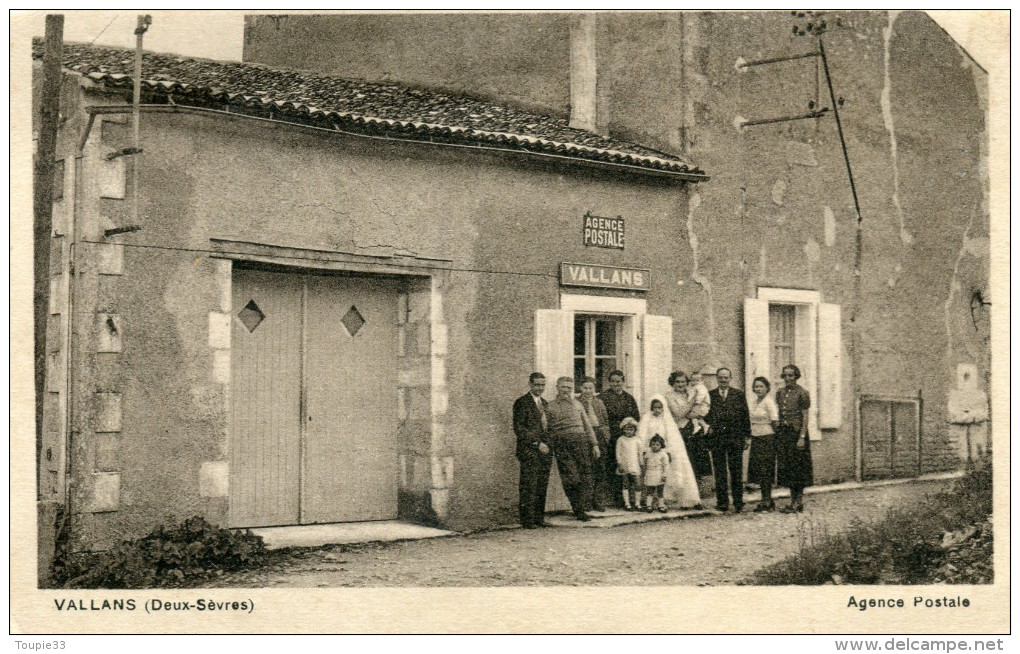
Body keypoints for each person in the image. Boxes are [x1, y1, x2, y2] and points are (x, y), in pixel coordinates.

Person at [546, 376, 600, 522]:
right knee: (571, 478)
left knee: (585, 475)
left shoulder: (578, 405)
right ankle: (578, 509)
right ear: (557, 387)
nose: (566, 390)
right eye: (563, 387)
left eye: (569, 388)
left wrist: (594, 444)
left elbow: (588, 426)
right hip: (562, 443)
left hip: (581, 441)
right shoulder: (550, 406)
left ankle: (582, 508)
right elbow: (547, 429)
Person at [636, 395, 701, 509]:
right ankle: (650, 501)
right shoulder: (647, 418)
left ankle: (665, 499)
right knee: (650, 475)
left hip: (662, 450)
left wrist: (668, 450)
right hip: (650, 450)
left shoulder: (666, 419)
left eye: (660, 407)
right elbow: (642, 434)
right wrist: (644, 449)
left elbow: (670, 436)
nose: (657, 410)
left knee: (664, 474)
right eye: (655, 407)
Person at [705, 367, 752, 512]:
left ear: (730, 379)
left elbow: (745, 416)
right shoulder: (710, 395)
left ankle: (738, 501)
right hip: (717, 439)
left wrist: (747, 437)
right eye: (720, 377)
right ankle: (722, 502)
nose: (723, 380)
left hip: (735, 438)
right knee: (720, 472)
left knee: (736, 471)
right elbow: (705, 416)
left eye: (726, 377)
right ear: (716, 379)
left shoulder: (738, 395)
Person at [512, 372, 553, 529]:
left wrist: (548, 445)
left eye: (542, 385)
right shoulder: (522, 403)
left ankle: (539, 518)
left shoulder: (545, 403)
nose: (540, 388)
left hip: (545, 451)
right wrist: (537, 443)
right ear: (530, 384)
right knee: (529, 484)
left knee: (542, 484)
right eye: (537, 385)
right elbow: (520, 429)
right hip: (529, 450)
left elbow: (548, 428)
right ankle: (527, 520)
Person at [775, 364, 813, 513]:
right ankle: (793, 502)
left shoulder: (802, 393)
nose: (788, 378)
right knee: (789, 468)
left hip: (797, 434)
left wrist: (802, 437)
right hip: (784, 434)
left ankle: (799, 501)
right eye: (785, 375)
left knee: (799, 468)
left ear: (796, 376)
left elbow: (805, 416)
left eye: (791, 375)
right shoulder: (780, 392)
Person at [599, 370, 640, 506]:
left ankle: (627, 499)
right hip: (610, 437)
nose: (616, 384)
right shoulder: (602, 398)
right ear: (609, 382)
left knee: (628, 466)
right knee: (612, 465)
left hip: (627, 437)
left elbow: (636, 418)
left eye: (619, 381)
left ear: (623, 382)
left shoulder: (629, 398)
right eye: (613, 381)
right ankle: (614, 498)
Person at [664, 371, 712, 481]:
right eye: (677, 382)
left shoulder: (691, 392)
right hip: (681, 430)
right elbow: (679, 413)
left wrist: (698, 413)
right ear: (672, 383)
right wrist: (693, 401)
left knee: (698, 459)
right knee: (686, 460)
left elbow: (704, 406)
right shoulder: (669, 396)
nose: (681, 384)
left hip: (695, 429)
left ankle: (699, 487)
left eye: (683, 382)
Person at [578, 377, 611, 511]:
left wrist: (605, 435)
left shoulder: (599, 402)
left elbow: (605, 421)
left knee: (600, 469)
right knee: (586, 469)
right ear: (580, 388)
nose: (588, 391)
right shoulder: (577, 403)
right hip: (585, 435)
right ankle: (586, 502)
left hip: (599, 434)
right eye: (585, 388)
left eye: (590, 388)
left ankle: (599, 501)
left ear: (594, 389)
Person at [747, 376, 780, 512]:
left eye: (761, 386)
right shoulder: (755, 402)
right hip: (756, 438)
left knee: (766, 470)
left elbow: (775, 421)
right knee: (759, 471)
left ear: (767, 388)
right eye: (756, 386)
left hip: (767, 438)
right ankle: (765, 500)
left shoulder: (768, 402)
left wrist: (775, 439)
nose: (758, 389)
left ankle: (767, 501)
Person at [615, 417, 643, 510]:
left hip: (634, 464)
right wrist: (620, 463)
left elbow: (640, 453)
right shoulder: (621, 439)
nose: (629, 431)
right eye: (627, 429)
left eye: (631, 429)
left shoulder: (637, 440)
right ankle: (627, 503)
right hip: (624, 464)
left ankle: (637, 503)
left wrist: (641, 463)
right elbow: (618, 452)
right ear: (623, 429)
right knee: (625, 483)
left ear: (635, 430)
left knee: (637, 484)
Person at [642, 435, 670, 512]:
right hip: (650, 473)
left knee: (660, 491)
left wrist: (664, 475)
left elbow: (666, 466)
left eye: (657, 445)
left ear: (661, 445)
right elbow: (644, 462)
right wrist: (644, 472)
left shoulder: (663, 454)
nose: (655, 446)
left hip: (659, 474)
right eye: (653, 444)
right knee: (650, 490)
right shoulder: (648, 453)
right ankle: (648, 505)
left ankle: (661, 505)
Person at [687, 370, 712, 436]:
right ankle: (705, 426)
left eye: (697, 380)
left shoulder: (701, 387)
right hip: (699, 405)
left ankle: (696, 426)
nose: (695, 382)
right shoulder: (693, 387)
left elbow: (701, 394)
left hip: (702, 405)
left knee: (693, 415)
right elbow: (690, 394)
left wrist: (697, 401)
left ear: (701, 381)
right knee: (698, 417)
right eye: (693, 380)